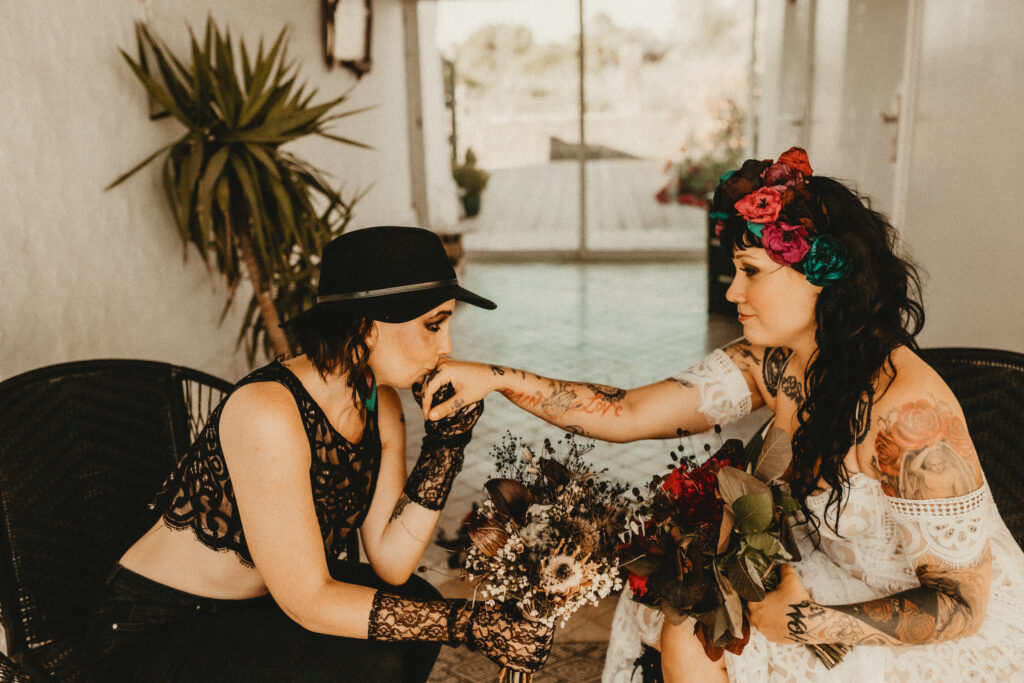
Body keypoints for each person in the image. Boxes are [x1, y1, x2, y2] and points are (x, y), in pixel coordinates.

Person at [414, 149, 1024, 681]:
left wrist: (809, 620)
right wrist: (494, 378)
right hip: (826, 577)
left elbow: (963, 607)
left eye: (751, 272)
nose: (732, 292)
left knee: (694, 636)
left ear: (822, 280)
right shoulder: (776, 362)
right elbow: (626, 413)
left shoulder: (908, 416)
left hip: (913, 627)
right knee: (675, 605)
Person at [84, 226, 553, 682]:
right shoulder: (267, 411)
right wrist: (467, 623)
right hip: (156, 629)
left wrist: (446, 445)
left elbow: (391, 562)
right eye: (433, 325)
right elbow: (308, 600)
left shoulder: (380, 404)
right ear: (367, 326)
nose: (447, 346)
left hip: (253, 610)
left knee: (413, 602)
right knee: (374, 658)